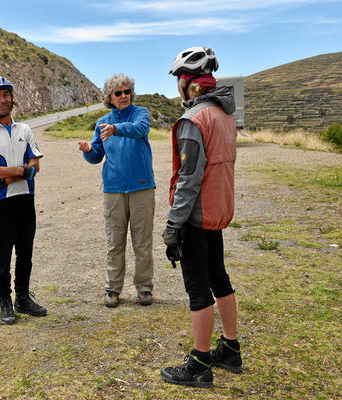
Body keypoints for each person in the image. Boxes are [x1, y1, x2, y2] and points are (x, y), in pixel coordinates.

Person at [160, 47, 242, 388]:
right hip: (217, 212)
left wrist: (172, 225)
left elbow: (188, 177)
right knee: (219, 278)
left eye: (180, 79)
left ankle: (199, 363)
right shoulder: (224, 114)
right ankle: (231, 348)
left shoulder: (194, 120)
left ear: (188, 83)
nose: (179, 86)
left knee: (198, 290)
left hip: (195, 216)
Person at [0, 76, 47, 325]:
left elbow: (35, 163)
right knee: (2, 255)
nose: (2, 100)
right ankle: (5, 300)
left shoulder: (24, 129)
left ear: (12, 98)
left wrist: (8, 175)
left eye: (5, 95)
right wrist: (19, 172)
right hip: (1, 203)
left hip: (25, 200)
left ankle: (23, 298)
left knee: (25, 252)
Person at [78, 73, 155, 308]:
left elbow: (139, 129)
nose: (124, 96)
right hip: (113, 190)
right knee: (115, 242)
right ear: (110, 98)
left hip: (142, 187)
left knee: (142, 242)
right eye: (118, 93)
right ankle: (112, 289)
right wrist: (88, 149)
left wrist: (116, 129)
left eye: (127, 91)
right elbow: (96, 156)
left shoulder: (140, 113)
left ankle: (144, 288)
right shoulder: (102, 122)